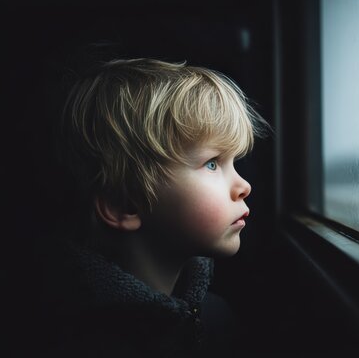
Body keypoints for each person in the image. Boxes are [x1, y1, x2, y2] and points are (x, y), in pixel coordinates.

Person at [32, 58, 267, 357]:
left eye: (234, 162)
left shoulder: (216, 318)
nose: (243, 186)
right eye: (212, 163)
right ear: (125, 205)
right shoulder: (81, 342)